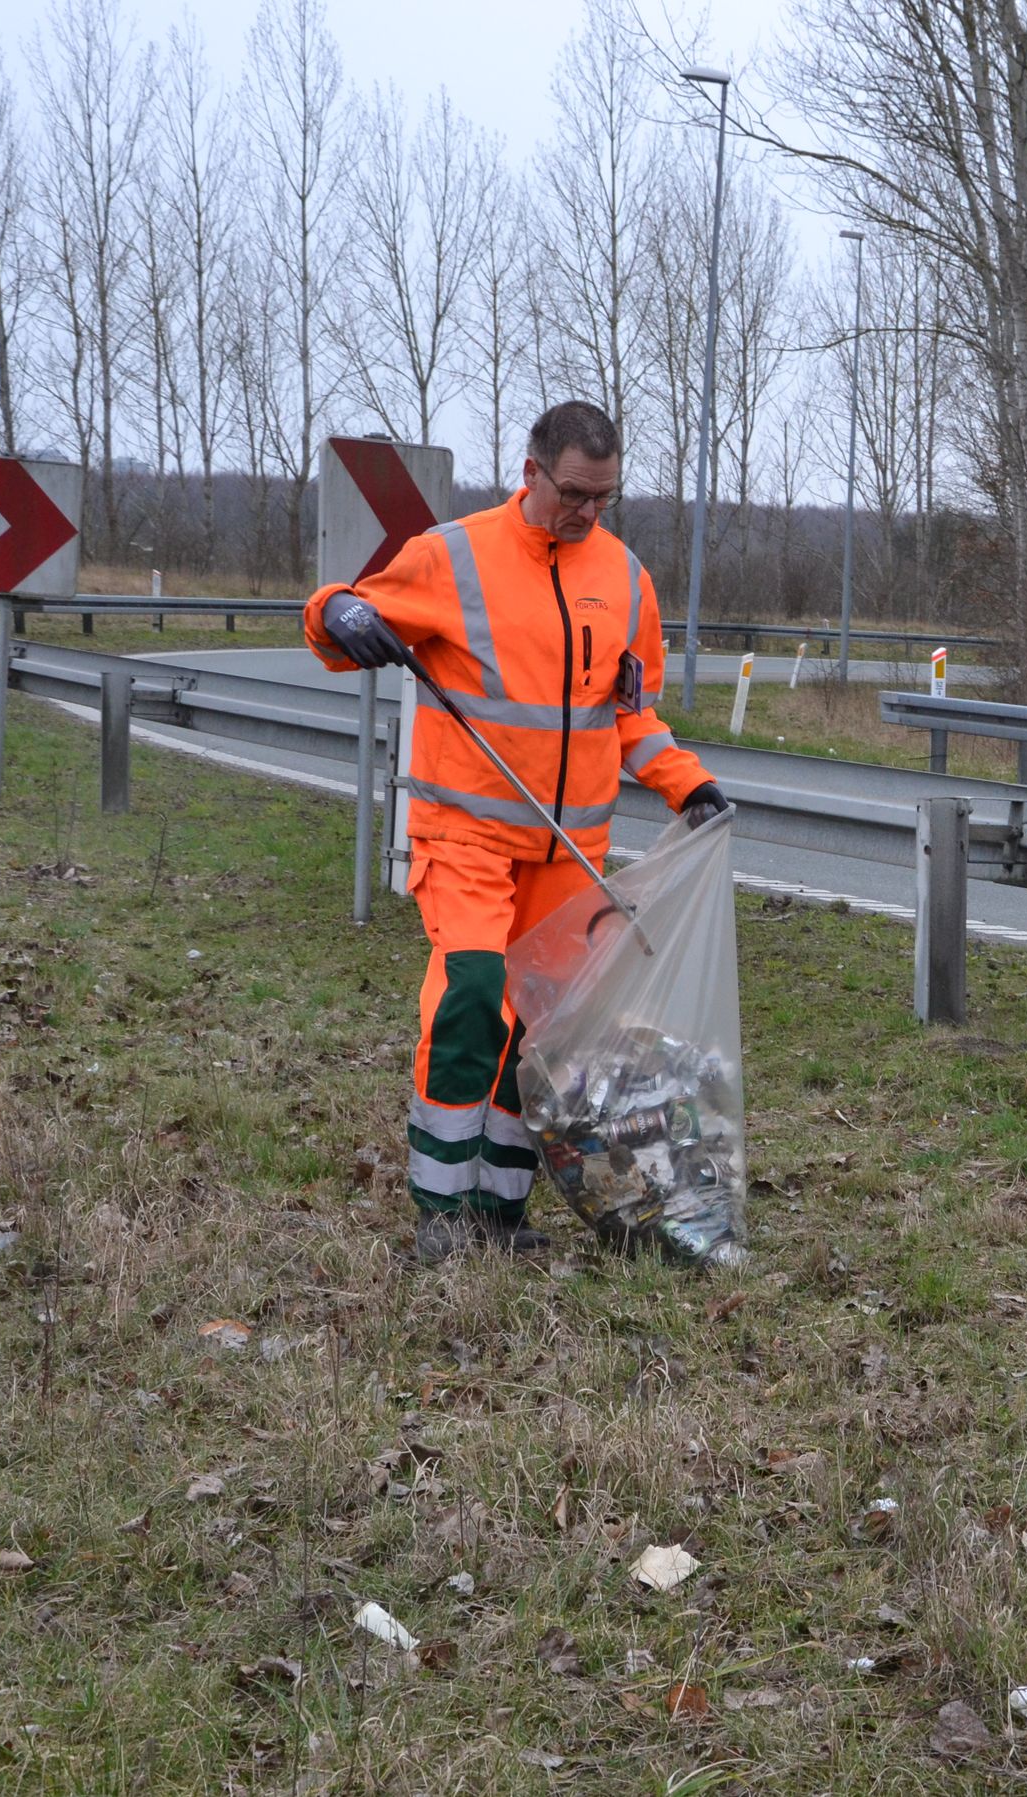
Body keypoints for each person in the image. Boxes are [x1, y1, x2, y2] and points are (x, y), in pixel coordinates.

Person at [304, 402, 727, 1263]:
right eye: (574, 493)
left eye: (605, 498)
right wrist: (336, 615)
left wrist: (690, 783)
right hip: (465, 837)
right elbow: (340, 616)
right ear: (531, 471)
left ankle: (501, 1213)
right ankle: (440, 1211)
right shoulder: (453, 556)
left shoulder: (626, 580)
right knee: (472, 998)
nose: (587, 513)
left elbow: (631, 718)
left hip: (567, 856)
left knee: (541, 1035)